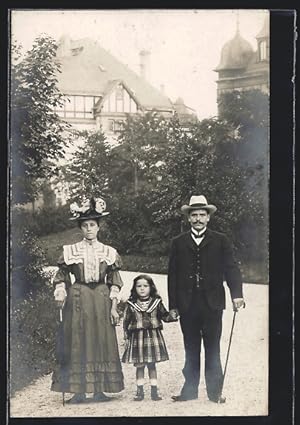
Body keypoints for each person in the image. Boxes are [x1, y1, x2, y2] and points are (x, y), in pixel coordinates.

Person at [168, 195, 245, 403]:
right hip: (187, 304)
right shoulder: (178, 242)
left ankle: (215, 393)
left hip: (213, 304)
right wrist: (173, 305)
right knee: (191, 348)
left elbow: (231, 268)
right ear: (188, 218)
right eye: (194, 215)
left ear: (209, 217)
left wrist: (236, 294)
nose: (198, 219)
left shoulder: (221, 240)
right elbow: (172, 275)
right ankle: (189, 391)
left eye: (202, 215)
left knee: (213, 348)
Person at [51, 197, 124, 404]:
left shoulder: (109, 252)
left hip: (101, 298)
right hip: (78, 297)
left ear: (99, 227)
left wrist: (114, 307)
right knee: (77, 339)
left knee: (101, 339)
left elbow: (115, 281)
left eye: (92, 225)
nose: (89, 229)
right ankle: (78, 390)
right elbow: (61, 275)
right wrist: (60, 292)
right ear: (80, 228)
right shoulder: (70, 251)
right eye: (85, 225)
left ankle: (100, 389)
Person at [122, 274, 177, 401]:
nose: (142, 289)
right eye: (139, 286)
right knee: (140, 365)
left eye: (145, 286)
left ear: (151, 287)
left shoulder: (156, 302)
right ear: (134, 288)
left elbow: (164, 316)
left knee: (152, 365)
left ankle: (154, 391)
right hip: (137, 338)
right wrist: (126, 337)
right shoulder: (131, 304)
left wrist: (173, 316)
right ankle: (139, 391)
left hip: (153, 337)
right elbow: (126, 321)